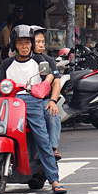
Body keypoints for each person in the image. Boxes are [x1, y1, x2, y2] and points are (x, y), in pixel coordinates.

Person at [0, 25, 66, 194]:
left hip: (32, 102)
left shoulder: (39, 62)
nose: (24, 46)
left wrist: (43, 85)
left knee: (42, 138)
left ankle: (54, 179)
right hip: (9, 100)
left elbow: (46, 81)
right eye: (20, 43)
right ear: (14, 45)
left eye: (27, 42)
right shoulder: (7, 63)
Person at [32, 27, 62, 160]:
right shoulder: (16, 61)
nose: (41, 44)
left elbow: (56, 82)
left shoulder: (48, 60)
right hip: (23, 99)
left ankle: (53, 149)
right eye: (37, 41)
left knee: (52, 113)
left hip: (44, 99)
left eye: (42, 41)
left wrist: (53, 101)